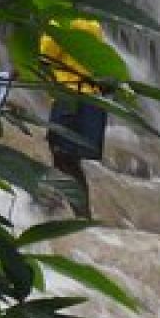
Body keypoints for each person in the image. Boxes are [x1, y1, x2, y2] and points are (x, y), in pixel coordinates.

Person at [42, 18, 110, 220]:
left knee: (62, 155)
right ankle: (54, 206)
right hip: (91, 97)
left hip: (69, 96)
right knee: (69, 158)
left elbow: (45, 59)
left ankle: (78, 214)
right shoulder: (94, 25)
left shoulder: (57, 25)